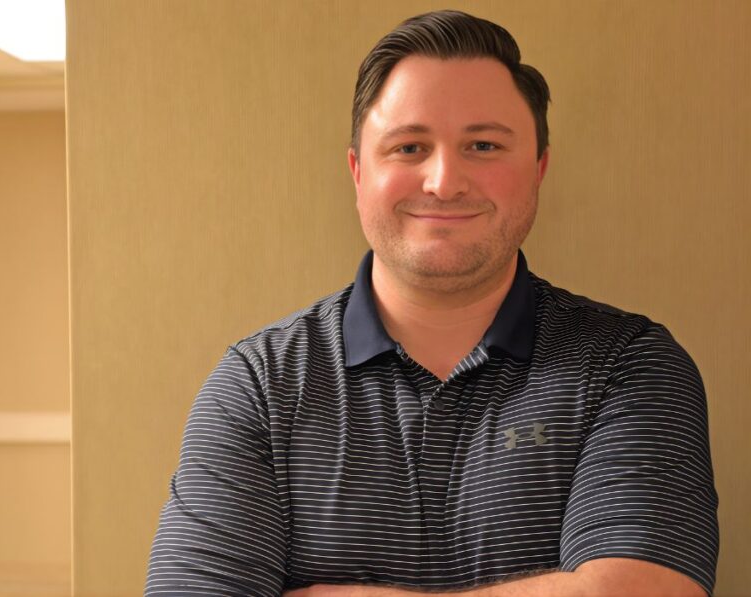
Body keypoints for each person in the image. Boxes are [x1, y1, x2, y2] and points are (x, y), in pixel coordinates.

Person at [145, 10, 718, 597]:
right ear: (358, 171)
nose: (444, 181)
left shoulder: (630, 365)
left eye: (484, 145)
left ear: (539, 168)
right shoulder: (260, 384)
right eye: (410, 146)